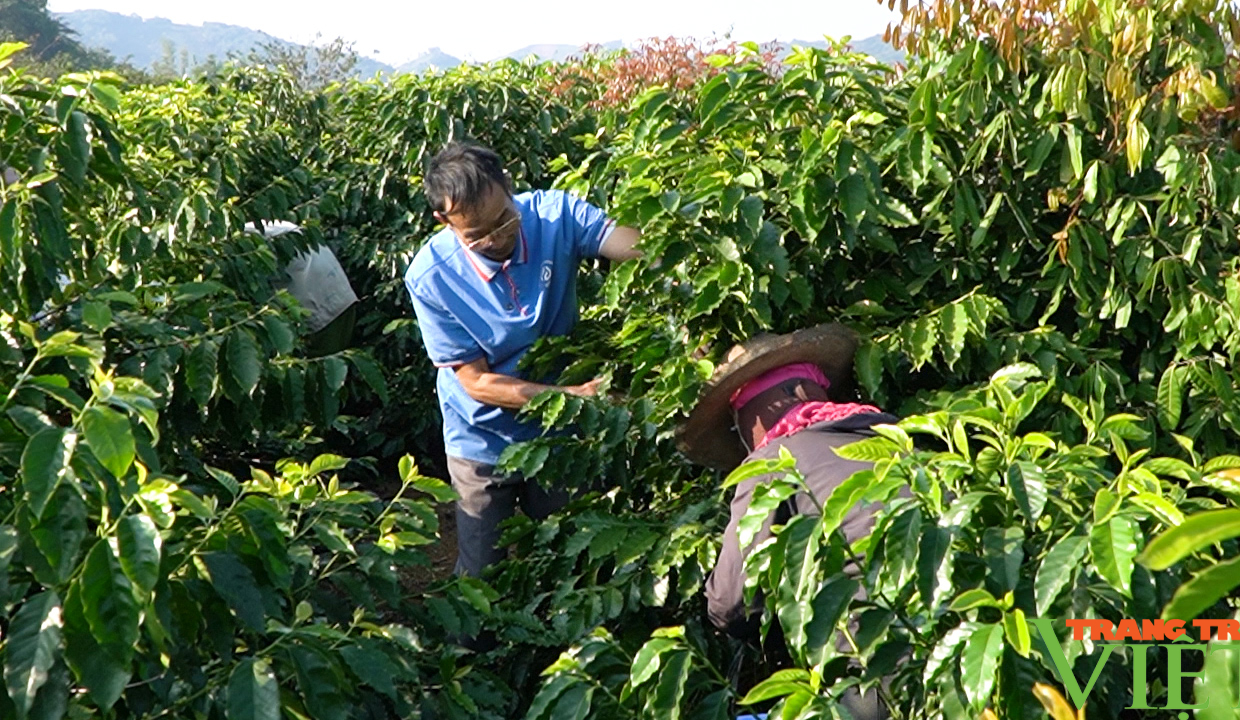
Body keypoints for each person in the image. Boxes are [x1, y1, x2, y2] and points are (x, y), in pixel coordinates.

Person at [404, 141, 641, 578]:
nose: (496, 240)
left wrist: (675, 260)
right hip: (482, 439)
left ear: (509, 187)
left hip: (558, 436)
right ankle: (471, 645)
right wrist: (570, 396)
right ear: (443, 220)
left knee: (572, 558)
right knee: (482, 572)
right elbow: (475, 381)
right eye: (476, 234)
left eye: (504, 219)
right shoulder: (431, 277)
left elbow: (625, 242)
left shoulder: (554, 215)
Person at [676, 323, 901, 720]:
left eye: (740, 424)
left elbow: (730, 605)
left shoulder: (773, 462)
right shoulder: (898, 436)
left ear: (758, 413)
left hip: (885, 663)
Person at [246, 220, 359, 356]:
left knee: (315, 368)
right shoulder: (260, 228)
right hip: (340, 297)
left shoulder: (246, 246)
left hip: (323, 313)